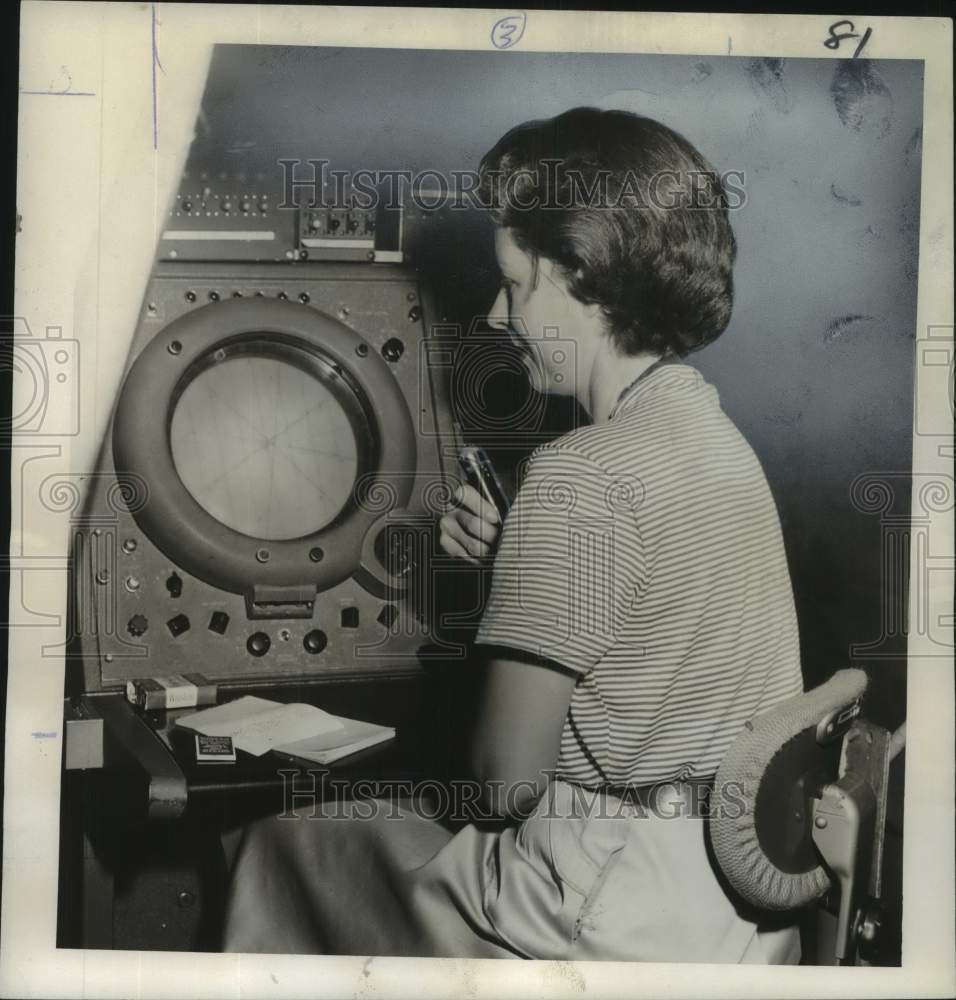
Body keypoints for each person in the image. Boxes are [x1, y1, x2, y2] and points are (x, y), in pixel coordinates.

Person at [221, 107, 805, 963]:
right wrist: (522, 571)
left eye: (513, 284)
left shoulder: (577, 474)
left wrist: (513, 581)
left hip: (603, 909)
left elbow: (504, 784)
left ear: (578, 273)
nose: (497, 317)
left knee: (278, 844)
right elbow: (657, 634)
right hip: (739, 905)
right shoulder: (717, 437)